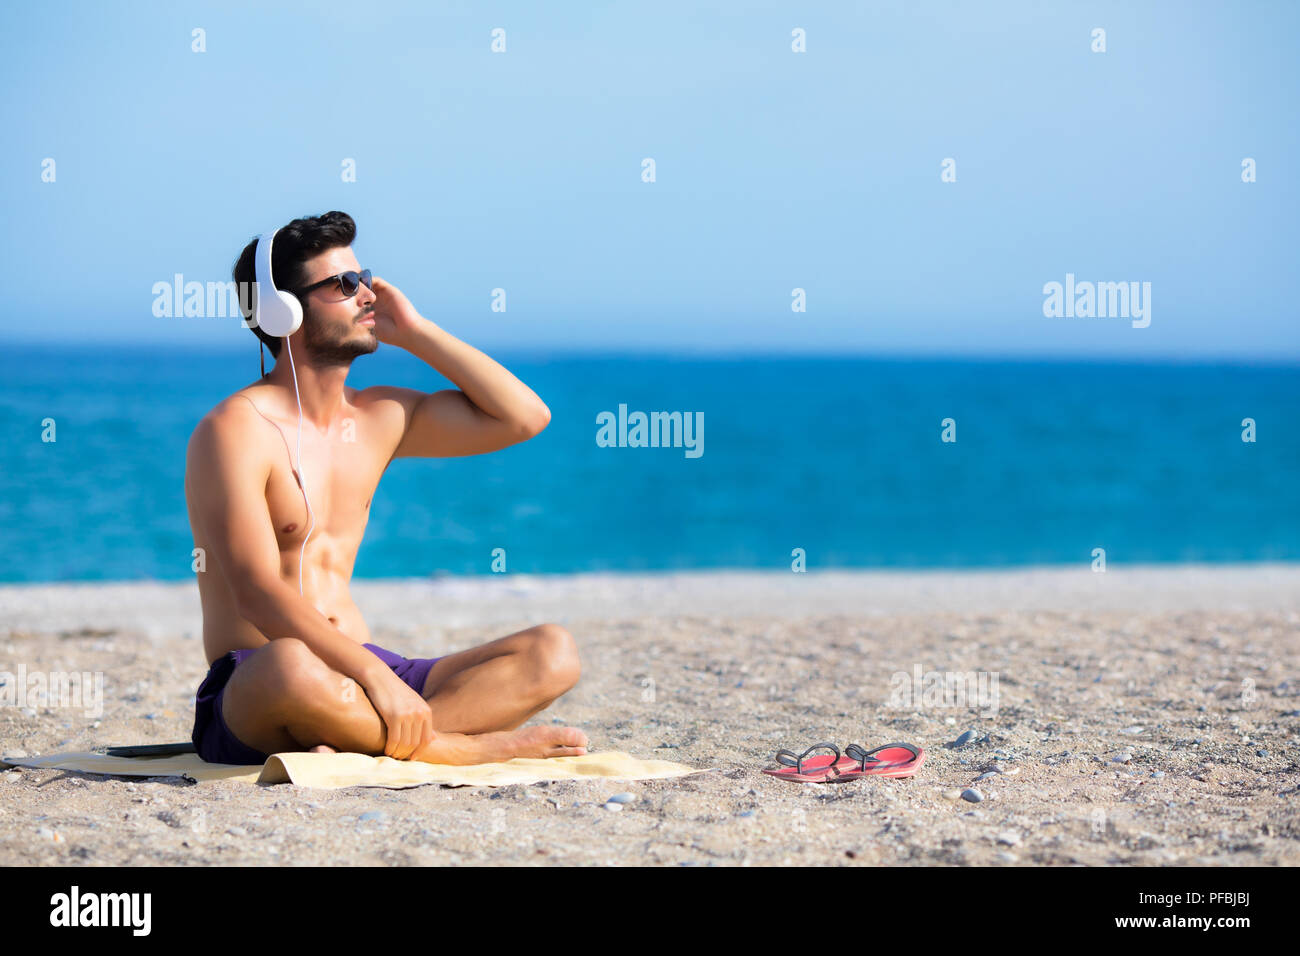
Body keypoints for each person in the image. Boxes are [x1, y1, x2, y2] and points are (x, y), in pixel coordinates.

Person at [187, 211, 587, 765]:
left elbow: (525, 417)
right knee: (291, 665)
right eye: (343, 285)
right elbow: (258, 593)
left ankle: (382, 739)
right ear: (284, 311)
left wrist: (416, 332)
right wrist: (375, 676)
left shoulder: (378, 417)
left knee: (552, 651)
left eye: (364, 278)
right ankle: (457, 749)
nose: (366, 295)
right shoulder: (235, 430)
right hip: (261, 680)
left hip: (366, 670)